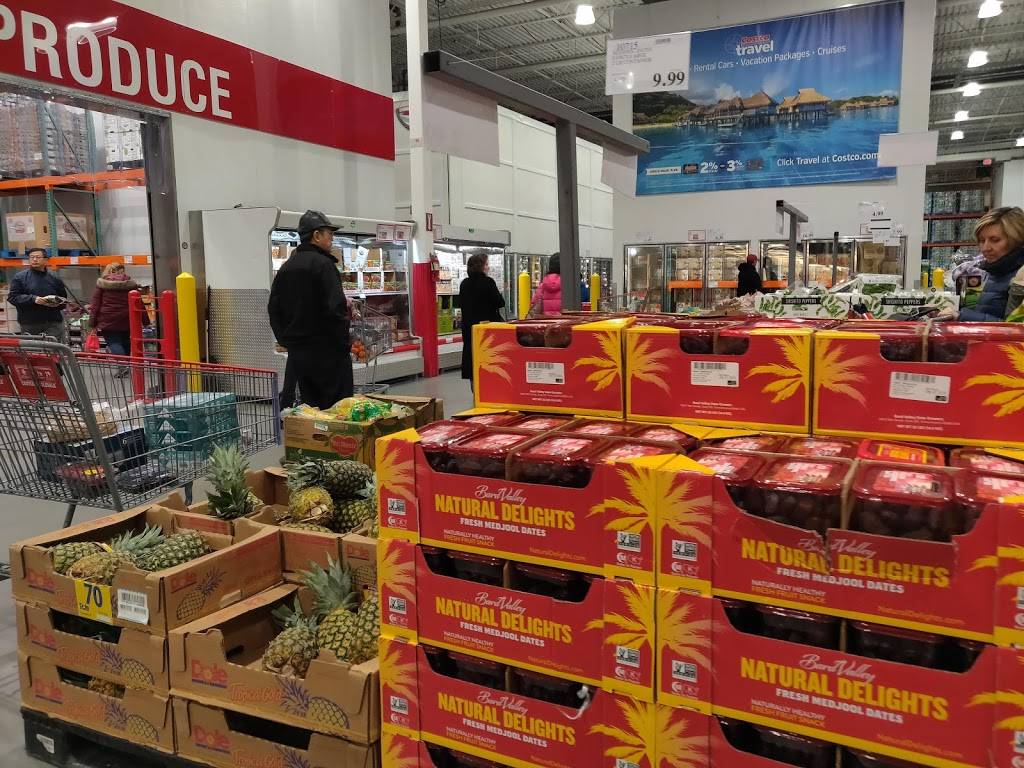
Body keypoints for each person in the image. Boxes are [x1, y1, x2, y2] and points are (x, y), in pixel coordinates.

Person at [268, 210, 353, 410]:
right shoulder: (324, 265)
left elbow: (273, 309)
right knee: (338, 410)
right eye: (329, 233)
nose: (332, 238)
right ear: (316, 235)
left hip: (300, 356)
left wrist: (286, 341)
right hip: (329, 354)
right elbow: (336, 309)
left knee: (312, 410)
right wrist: (343, 345)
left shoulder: (287, 267)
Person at [958, 206, 1024, 321]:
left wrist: (961, 315)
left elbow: (1014, 327)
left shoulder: (1020, 277)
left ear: (1016, 240)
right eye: (982, 241)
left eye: (995, 240)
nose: (985, 248)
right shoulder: (996, 270)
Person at [458, 253, 505, 387]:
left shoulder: (464, 284)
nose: (488, 267)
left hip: (469, 329)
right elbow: (500, 302)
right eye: (486, 264)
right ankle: (488, 388)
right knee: (488, 359)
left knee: (472, 358)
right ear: (481, 267)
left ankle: (475, 388)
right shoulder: (488, 282)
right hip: (487, 328)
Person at [8, 248, 69, 343]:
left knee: (53, 349)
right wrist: (34, 299)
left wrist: (55, 303)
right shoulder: (20, 277)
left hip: (53, 323)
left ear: (45, 259)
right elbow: (13, 297)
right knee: (33, 350)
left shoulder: (54, 277)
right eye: (32, 257)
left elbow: (63, 299)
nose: (34, 259)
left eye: (38, 257)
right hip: (30, 324)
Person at [88, 262, 139, 357]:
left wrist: (92, 322)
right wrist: (145, 321)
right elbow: (138, 303)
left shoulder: (102, 284)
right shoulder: (131, 285)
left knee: (114, 342)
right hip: (126, 319)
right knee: (126, 342)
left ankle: (123, 365)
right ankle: (127, 364)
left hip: (108, 320)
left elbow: (95, 305)